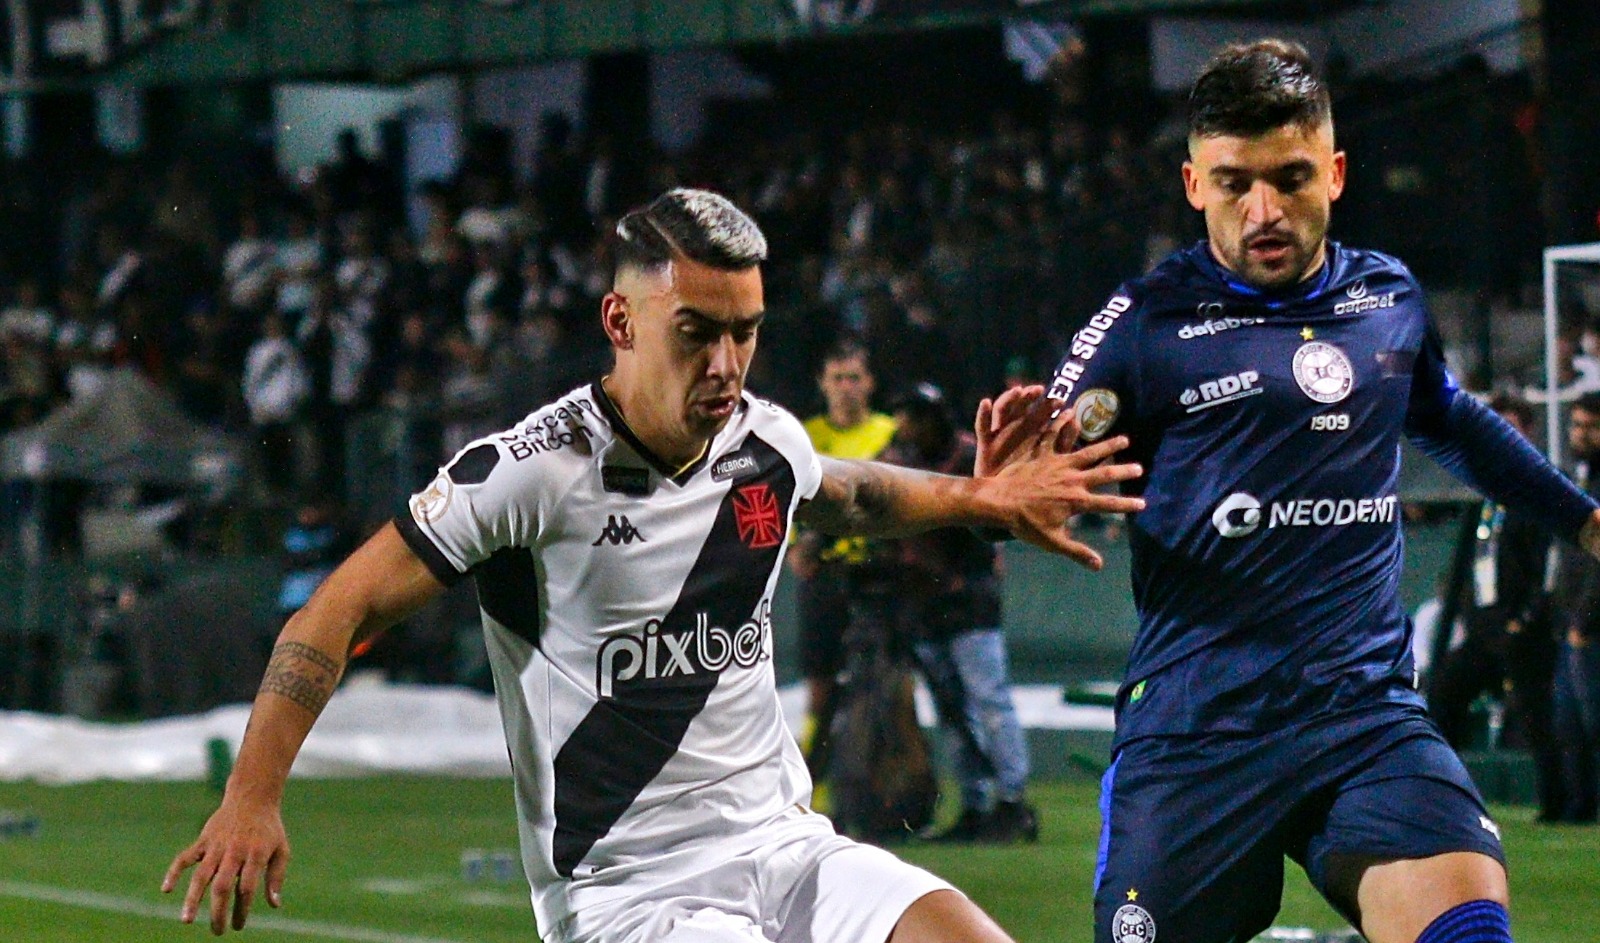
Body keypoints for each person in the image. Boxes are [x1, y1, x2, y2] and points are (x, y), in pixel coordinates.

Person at [162, 188, 1145, 943]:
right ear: (621, 322)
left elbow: (848, 489)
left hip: (785, 843)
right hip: (624, 889)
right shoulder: (529, 473)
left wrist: (976, 499)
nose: (725, 363)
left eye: (745, 332)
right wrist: (252, 792)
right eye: (697, 332)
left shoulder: (766, 441)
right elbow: (339, 607)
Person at [1033, 40, 1600, 943]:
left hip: (1362, 713)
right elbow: (1035, 477)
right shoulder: (1143, 325)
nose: (1264, 209)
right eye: (1233, 183)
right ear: (1192, 185)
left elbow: (1452, 421)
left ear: (1334, 173)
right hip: (1198, 727)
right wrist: (1012, 498)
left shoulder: (1389, 298)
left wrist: (1587, 521)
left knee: (1469, 926)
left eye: (1291, 177)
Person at [884, 381, 1037, 844]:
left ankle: (1012, 801)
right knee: (954, 712)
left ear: (935, 418)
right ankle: (975, 803)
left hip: (969, 602)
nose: (907, 425)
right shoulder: (900, 461)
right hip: (926, 604)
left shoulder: (969, 456)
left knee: (989, 701)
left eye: (914, 416)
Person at [1428, 394, 1561, 819]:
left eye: (1511, 427)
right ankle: (1437, 795)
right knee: (1443, 694)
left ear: (1528, 432)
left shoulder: (1538, 488)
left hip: (1522, 632)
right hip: (1485, 628)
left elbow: (1548, 569)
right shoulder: (1482, 488)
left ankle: (1561, 804)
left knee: (1537, 718)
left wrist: (1523, 622)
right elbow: (1473, 562)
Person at [786, 338, 900, 773]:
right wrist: (796, 546)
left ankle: (875, 781)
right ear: (823, 383)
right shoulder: (805, 435)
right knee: (820, 686)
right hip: (825, 574)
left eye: (854, 377)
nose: (846, 388)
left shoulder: (889, 432)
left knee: (885, 683)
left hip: (879, 572)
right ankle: (816, 785)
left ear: (869, 383)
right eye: (837, 378)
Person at [1550, 392, 1600, 823]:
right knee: (1570, 723)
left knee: (1593, 719)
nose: (1580, 434)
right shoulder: (1576, 479)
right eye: (1577, 425)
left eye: (1590, 426)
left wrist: (1585, 618)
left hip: (1590, 624)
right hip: (1569, 620)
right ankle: (1579, 805)